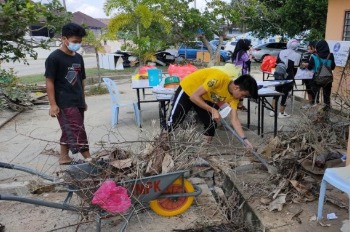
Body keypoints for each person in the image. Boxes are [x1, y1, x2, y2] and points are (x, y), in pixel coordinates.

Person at [166, 63, 258, 148]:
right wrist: (212, 110)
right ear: (236, 88)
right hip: (188, 90)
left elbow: (234, 119)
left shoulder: (234, 97)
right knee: (174, 120)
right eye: (243, 95)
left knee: (211, 124)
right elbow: (194, 97)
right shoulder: (218, 79)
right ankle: (163, 146)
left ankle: (202, 155)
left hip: (203, 97)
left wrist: (245, 140)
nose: (243, 98)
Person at [45, 23, 91, 165]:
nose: (77, 44)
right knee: (77, 130)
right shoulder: (54, 58)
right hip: (64, 102)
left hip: (77, 101)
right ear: (64, 39)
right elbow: (49, 82)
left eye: (79, 42)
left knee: (69, 128)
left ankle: (64, 157)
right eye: (75, 41)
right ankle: (90, 159)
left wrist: (83, 100)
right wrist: (53, 104)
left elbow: (81, 80)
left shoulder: (78, 57)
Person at [269, 39, 301, 118]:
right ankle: (281, 113)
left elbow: (277, 63)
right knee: (285, 93)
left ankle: (272, 111)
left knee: (277, 91)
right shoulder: (298, 55)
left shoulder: (281, 52)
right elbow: (295, 68)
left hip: (279, 75)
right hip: (289, 76)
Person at [304, 40, 335, 116]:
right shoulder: (330, 55)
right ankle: (326, 115)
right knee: (326, 98)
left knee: (315, 97)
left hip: (316, 79)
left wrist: (306, 65)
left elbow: (310, 67)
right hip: (327, 79)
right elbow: (333, 67)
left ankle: (316, 115)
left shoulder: (314, 56)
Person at [231, 39, 252, 111]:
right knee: (242, 89)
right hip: (242, 73)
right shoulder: (243, 53)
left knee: (238, 88)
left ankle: (238, 104)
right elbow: (248, 62)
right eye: (249, 44)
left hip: (237, 72)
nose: (249, 46)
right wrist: (251, 53)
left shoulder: (238, 52)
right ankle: (240, 105)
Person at [300, 41, 317, 109]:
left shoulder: (316, 55)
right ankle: (310, 103)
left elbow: (312, 65)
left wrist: (307, 65)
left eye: (310, 49)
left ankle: (314, 103)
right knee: (308, 89)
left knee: (313, 90)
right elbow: (301, 63)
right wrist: (303, 64)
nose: (309, 50)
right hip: (306, 75)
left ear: (314, 48)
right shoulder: (306, 54)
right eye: (308, 49)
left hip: (313, 75)